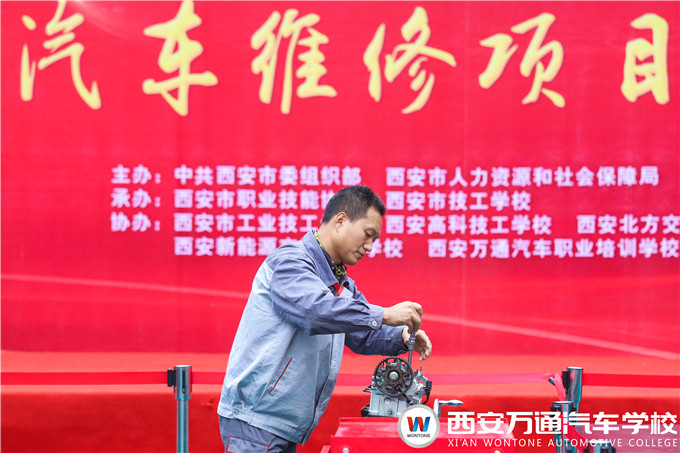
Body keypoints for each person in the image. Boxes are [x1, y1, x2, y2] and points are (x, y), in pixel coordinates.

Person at [217, 185, 432, 453]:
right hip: (255, 420)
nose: (369, 247)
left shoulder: (340, 282)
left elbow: (361, 331)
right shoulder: (291, 262)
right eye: (367, 235)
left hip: (278, 422)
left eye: (374, 240)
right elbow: (316, 312)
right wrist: (386, 314)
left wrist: (401, 336)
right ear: (340, 221)